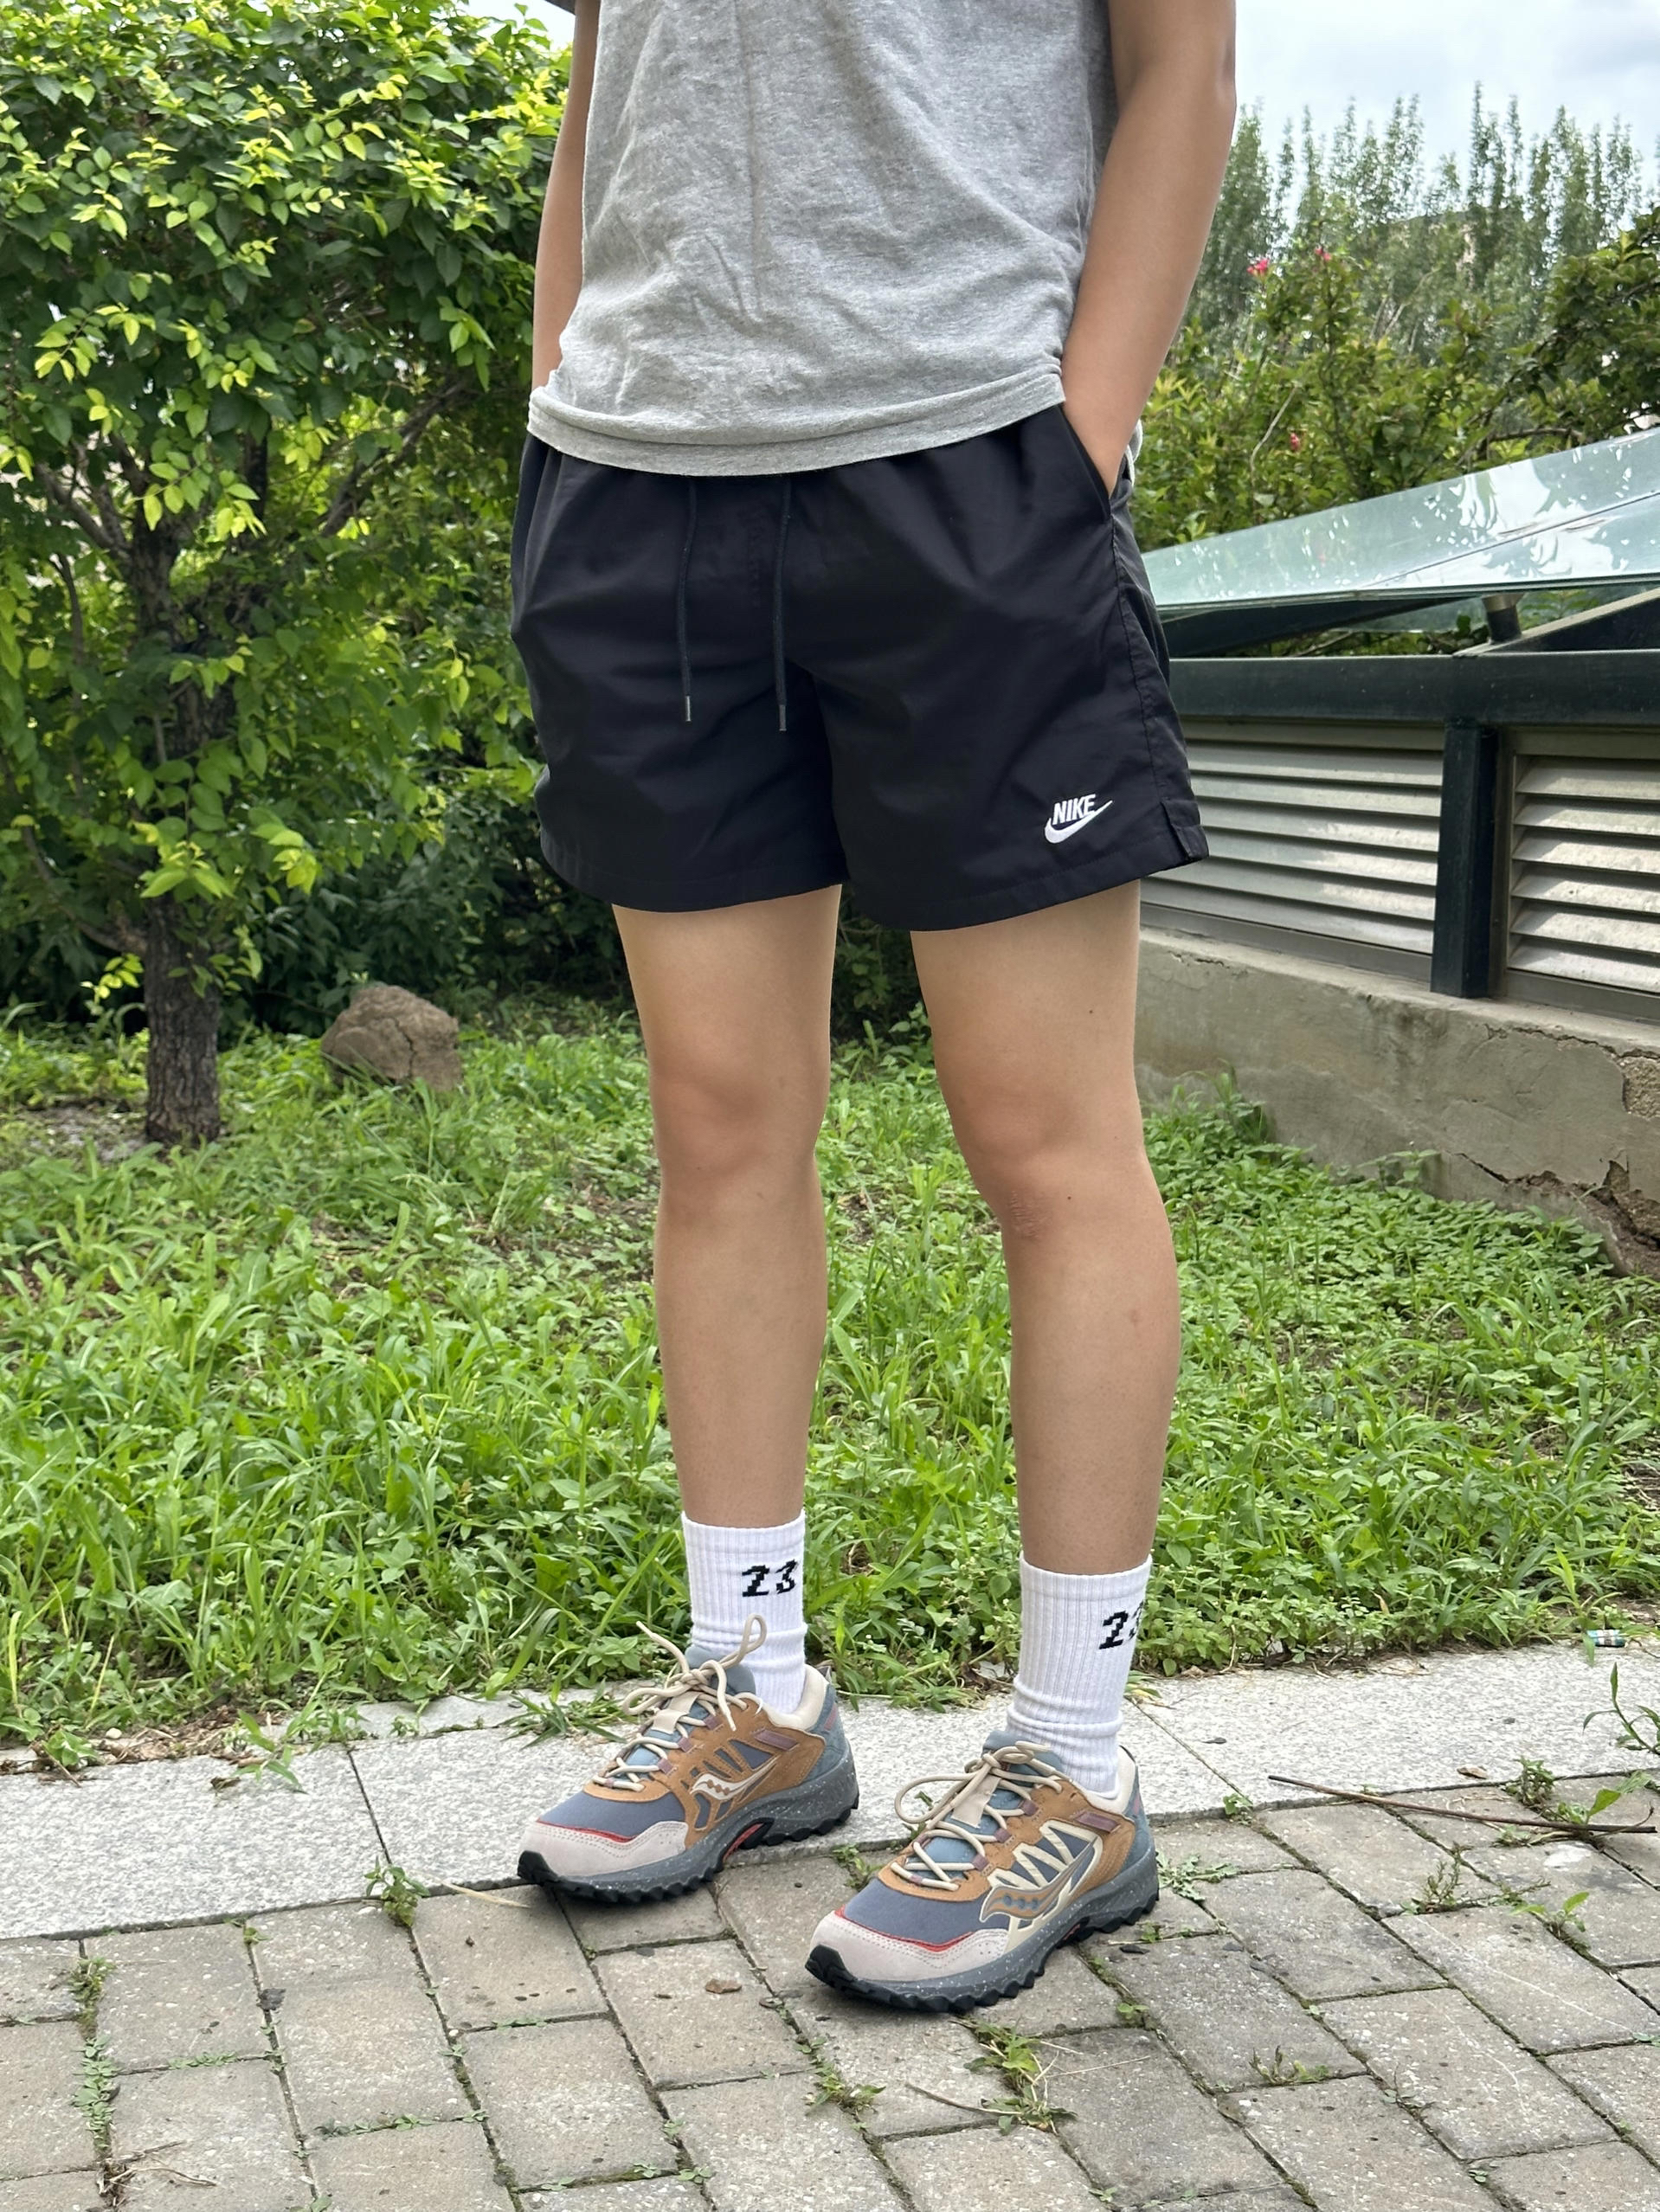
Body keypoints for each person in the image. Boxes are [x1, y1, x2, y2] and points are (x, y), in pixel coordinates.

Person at [511, 0, 1236, 2012]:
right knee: (717, 1127)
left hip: (965, 461)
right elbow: (605, 75)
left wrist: (1073, 443)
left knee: (1043, 1138)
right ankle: (753, 1692)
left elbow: (1178, 63)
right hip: (637, 482)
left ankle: (1071, 1765)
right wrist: (562, 386)